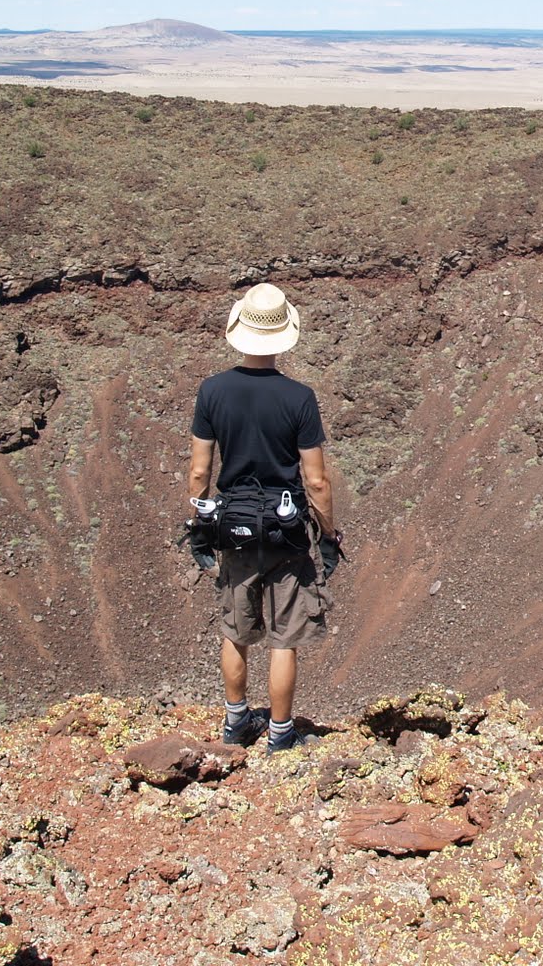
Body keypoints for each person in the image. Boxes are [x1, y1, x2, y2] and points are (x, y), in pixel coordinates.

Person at [187, 282, 341, 752]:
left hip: (233, 527)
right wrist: (328, 536)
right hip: (286, 531)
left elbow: (199, 471)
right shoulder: (299, 398)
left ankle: (236, 723)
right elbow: (315, 480)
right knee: (283, 637)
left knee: (235, 630)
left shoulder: (213, 391)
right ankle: (279, 733)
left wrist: (198, 530)